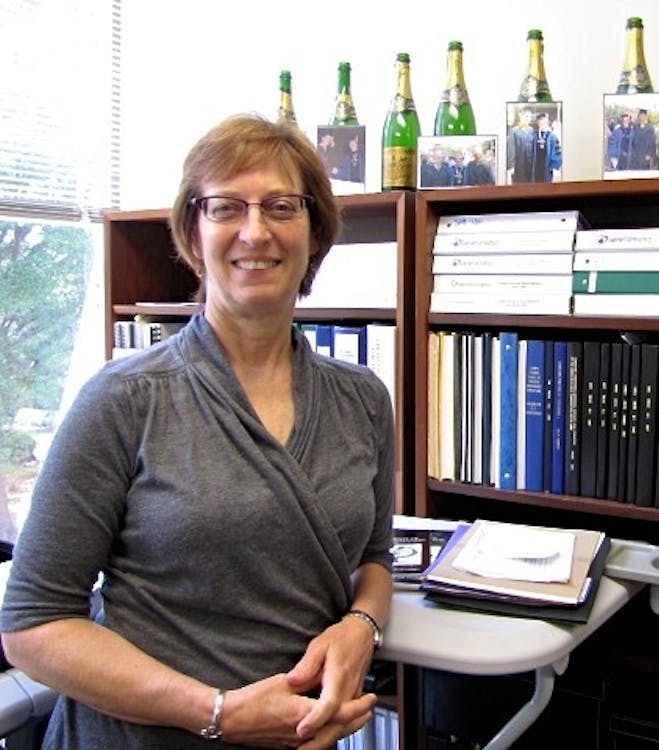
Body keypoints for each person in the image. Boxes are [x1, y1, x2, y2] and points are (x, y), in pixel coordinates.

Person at [0, 113, 395, 749]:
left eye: (282, 207)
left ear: (316, 231)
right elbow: (31, 624)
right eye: (226, 207)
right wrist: (218, 712)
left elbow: (375, 558)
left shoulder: (363, 400)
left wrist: (361, 625)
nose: (256, 231)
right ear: (193, 231)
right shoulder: (125, 400)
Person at [506, 106, 536, 183]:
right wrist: (511, 166)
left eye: (529, 117)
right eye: (526, 116)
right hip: (519, 164)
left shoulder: (532, 131)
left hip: (530, 165)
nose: (527, 119)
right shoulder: (514, 131)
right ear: (521, 116)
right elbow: (511, 149)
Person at [531, 111, 563, 183]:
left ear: (548, 122)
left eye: (544, 120)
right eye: (540, 120)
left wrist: (554, 168)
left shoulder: (552, 137)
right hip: (535, 169)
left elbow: (557, 153)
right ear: (538, 122)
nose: (542, 122)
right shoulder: (533, 136)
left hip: (547, 169)